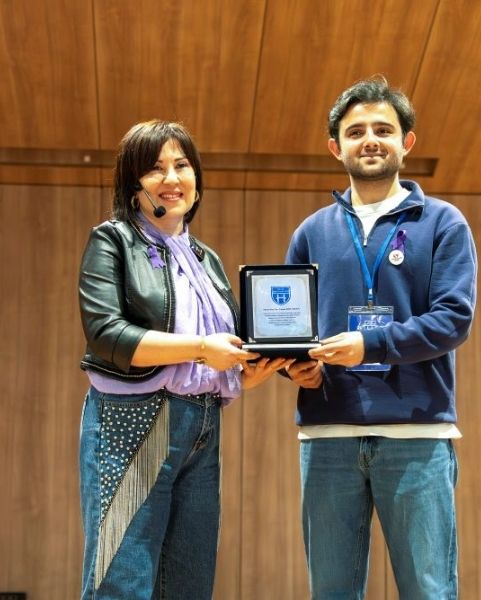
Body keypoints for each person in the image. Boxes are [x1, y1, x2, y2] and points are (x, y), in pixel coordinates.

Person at [77, 120, 289, 600]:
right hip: (134, 421)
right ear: (133, 184)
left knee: (188, 583)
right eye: (155, 168)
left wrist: (248, 373)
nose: (171, 178)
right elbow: (107, 335)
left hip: (203, 423)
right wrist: (200, 348)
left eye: (182, 165)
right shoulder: (112, 240)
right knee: (122, 580)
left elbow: (215, 359)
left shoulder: (204, 258)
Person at [285, 77, 477, 599]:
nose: (370, 140)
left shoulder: (444, 223)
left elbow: (453, 319)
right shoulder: (310, 233)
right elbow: (291, 332)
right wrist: (297, 367)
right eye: (356, 132)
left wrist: (369, 345)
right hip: (327, 435)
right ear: (336, 147)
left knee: (429, 591)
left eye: (383, 130)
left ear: (406, 142)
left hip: (417, 436)